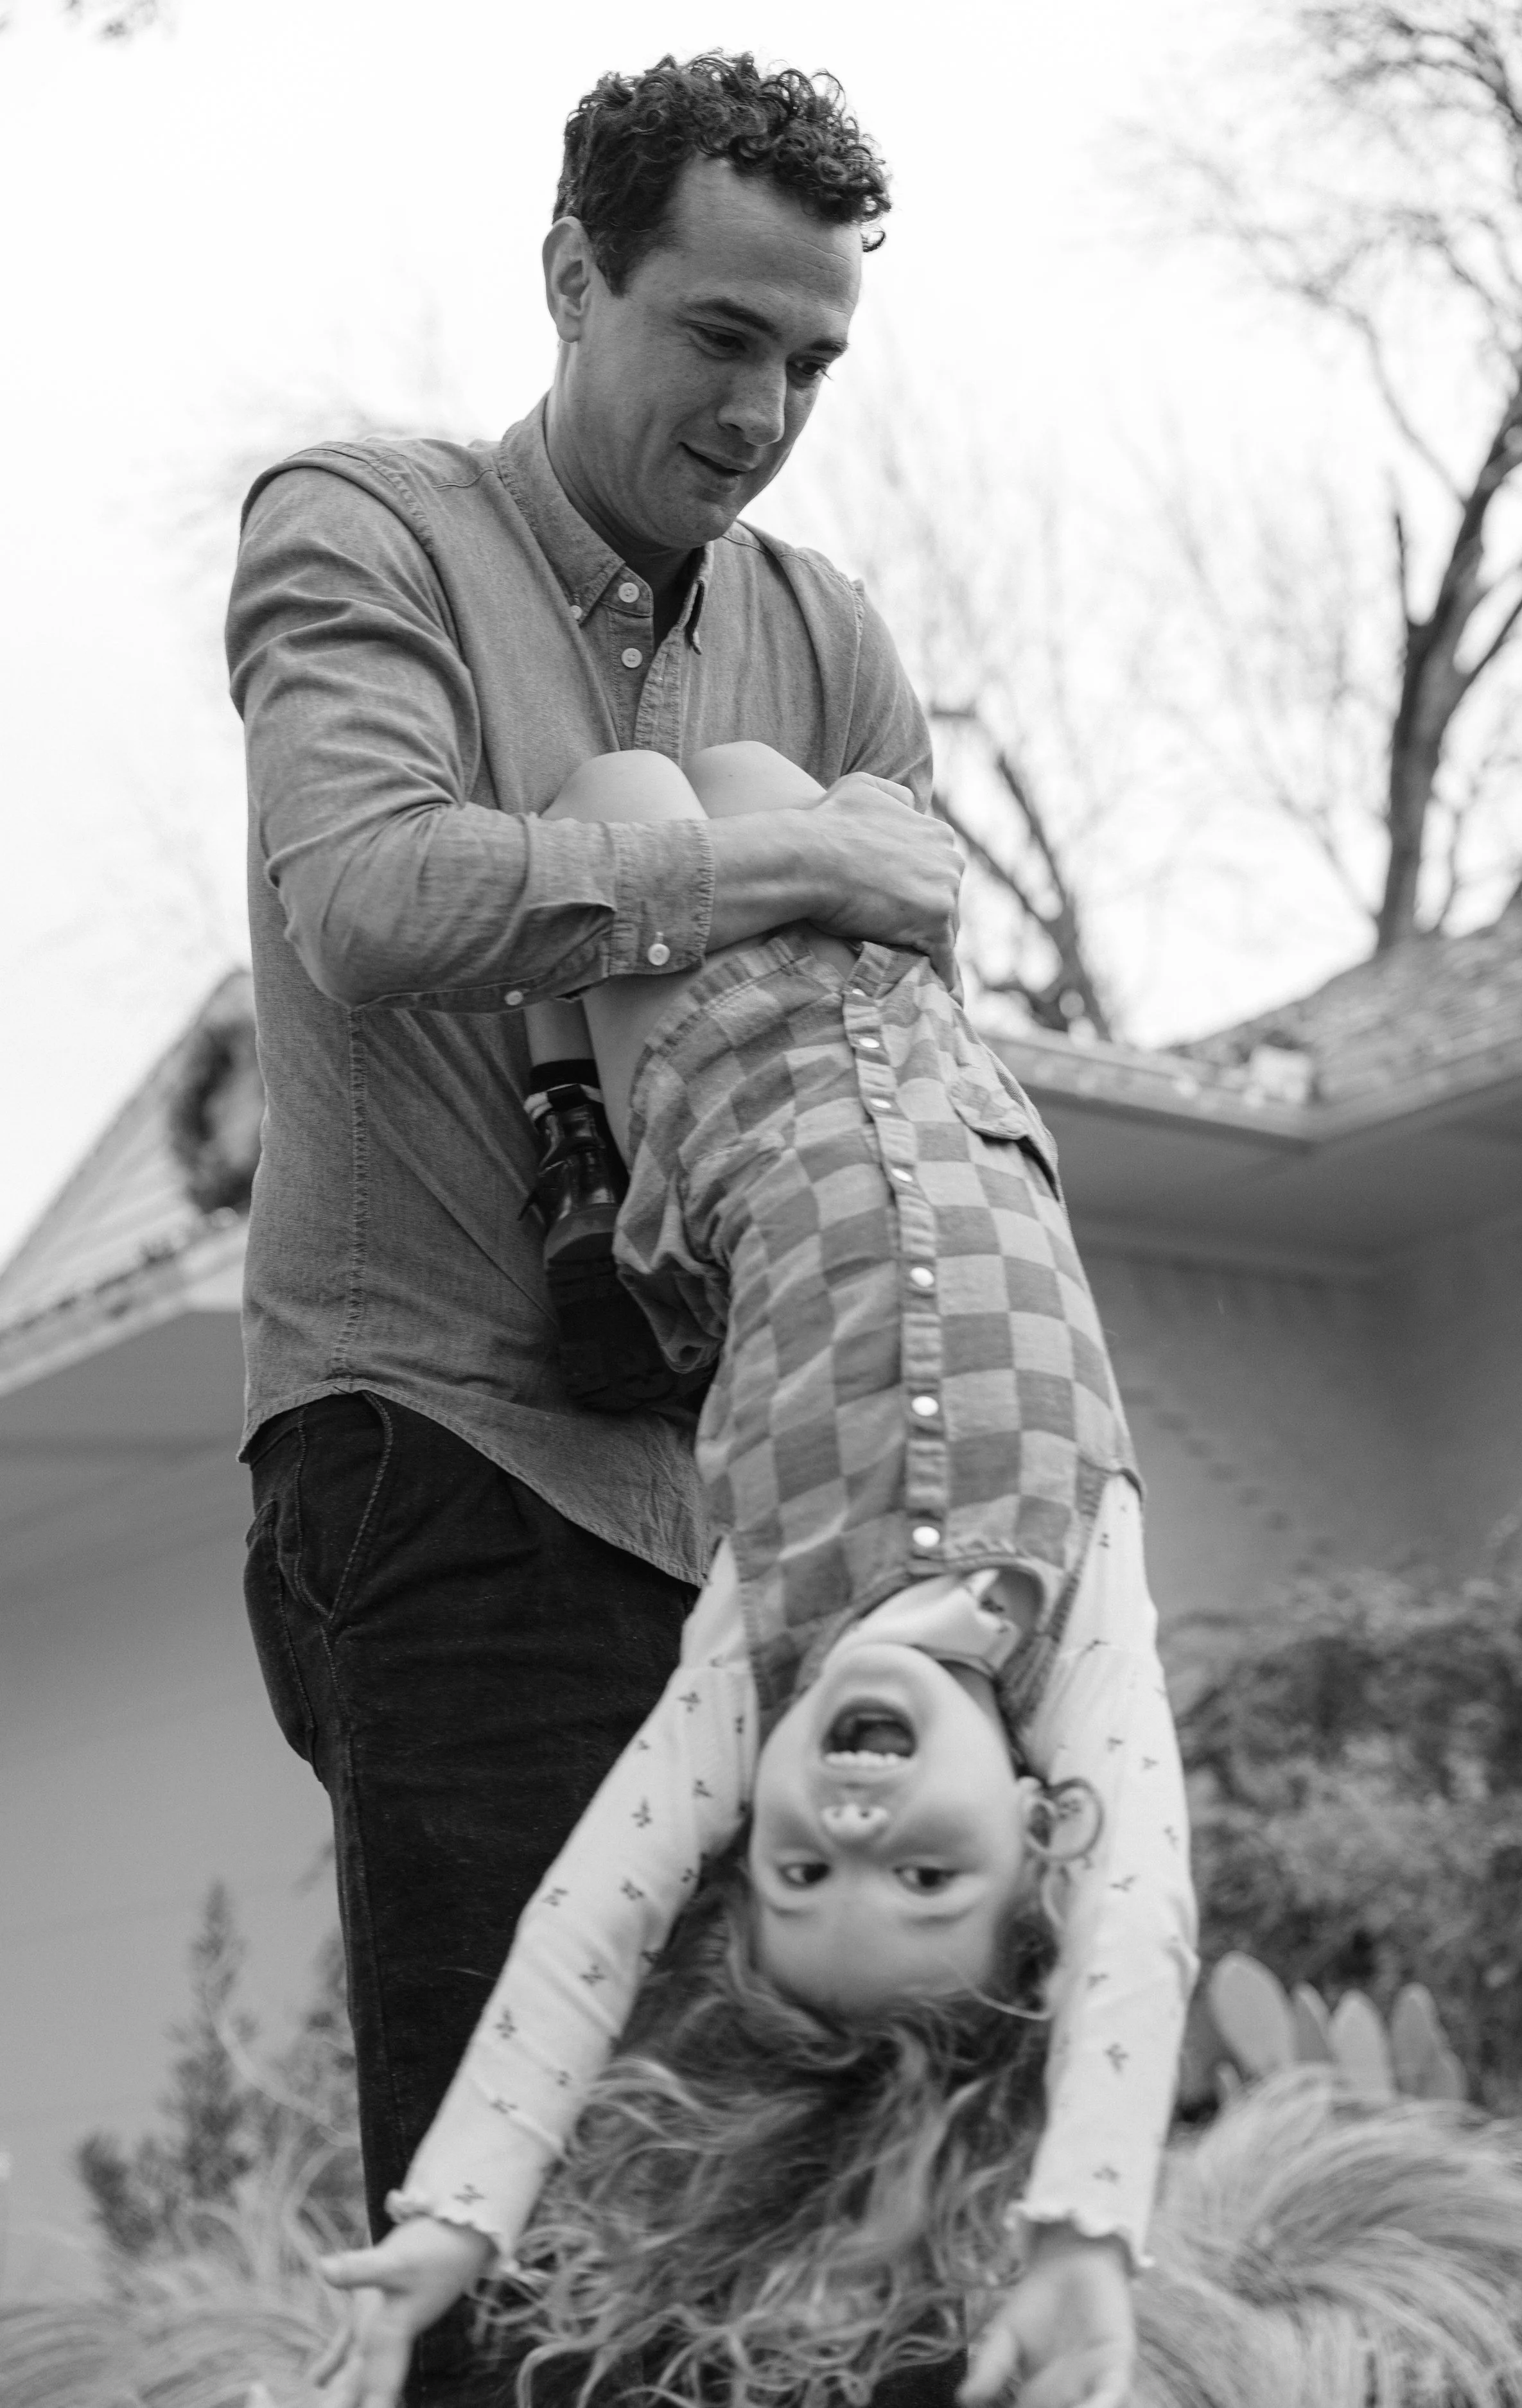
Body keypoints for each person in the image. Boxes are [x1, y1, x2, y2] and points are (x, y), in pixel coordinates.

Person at [227, 57, 959, 2408]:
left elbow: (909, 1020)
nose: (763, 412)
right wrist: (782, 860)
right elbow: (361, 896)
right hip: (437, 1459)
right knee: (523, 2261)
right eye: (720, 337)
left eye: (811, 364)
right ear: (572, 276)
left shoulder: (820, 637)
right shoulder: (360, 524)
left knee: (801, 2248)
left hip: (756, 1517)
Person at [307, 746, 1197, 2408]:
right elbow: (1144, 1925)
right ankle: (565, 1117)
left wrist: (457, 2214)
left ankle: (578, 1122)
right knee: (759, 772)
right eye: (926, 1886)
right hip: (927, 1056)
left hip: (724, 1104)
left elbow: (592, 1917)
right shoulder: (1074, 1615)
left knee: (636, 796)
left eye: (795, 1878)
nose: (850, 1837)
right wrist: (1082, 2228)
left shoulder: (751, 1649)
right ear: (1038, 1831)